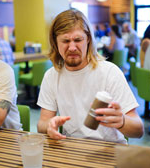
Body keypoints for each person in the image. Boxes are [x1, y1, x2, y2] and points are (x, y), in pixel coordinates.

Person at [37, 9, 143, 144]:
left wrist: (122, 121)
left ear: (88, 40)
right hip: (72, 150)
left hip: (109, 151)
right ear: (55, 43)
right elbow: (41, 124)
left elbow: (138, 130)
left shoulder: (109, 72)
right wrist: (49, 126)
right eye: (65, 41)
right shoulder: (51, 76)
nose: (72, 47)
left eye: (77, 40)